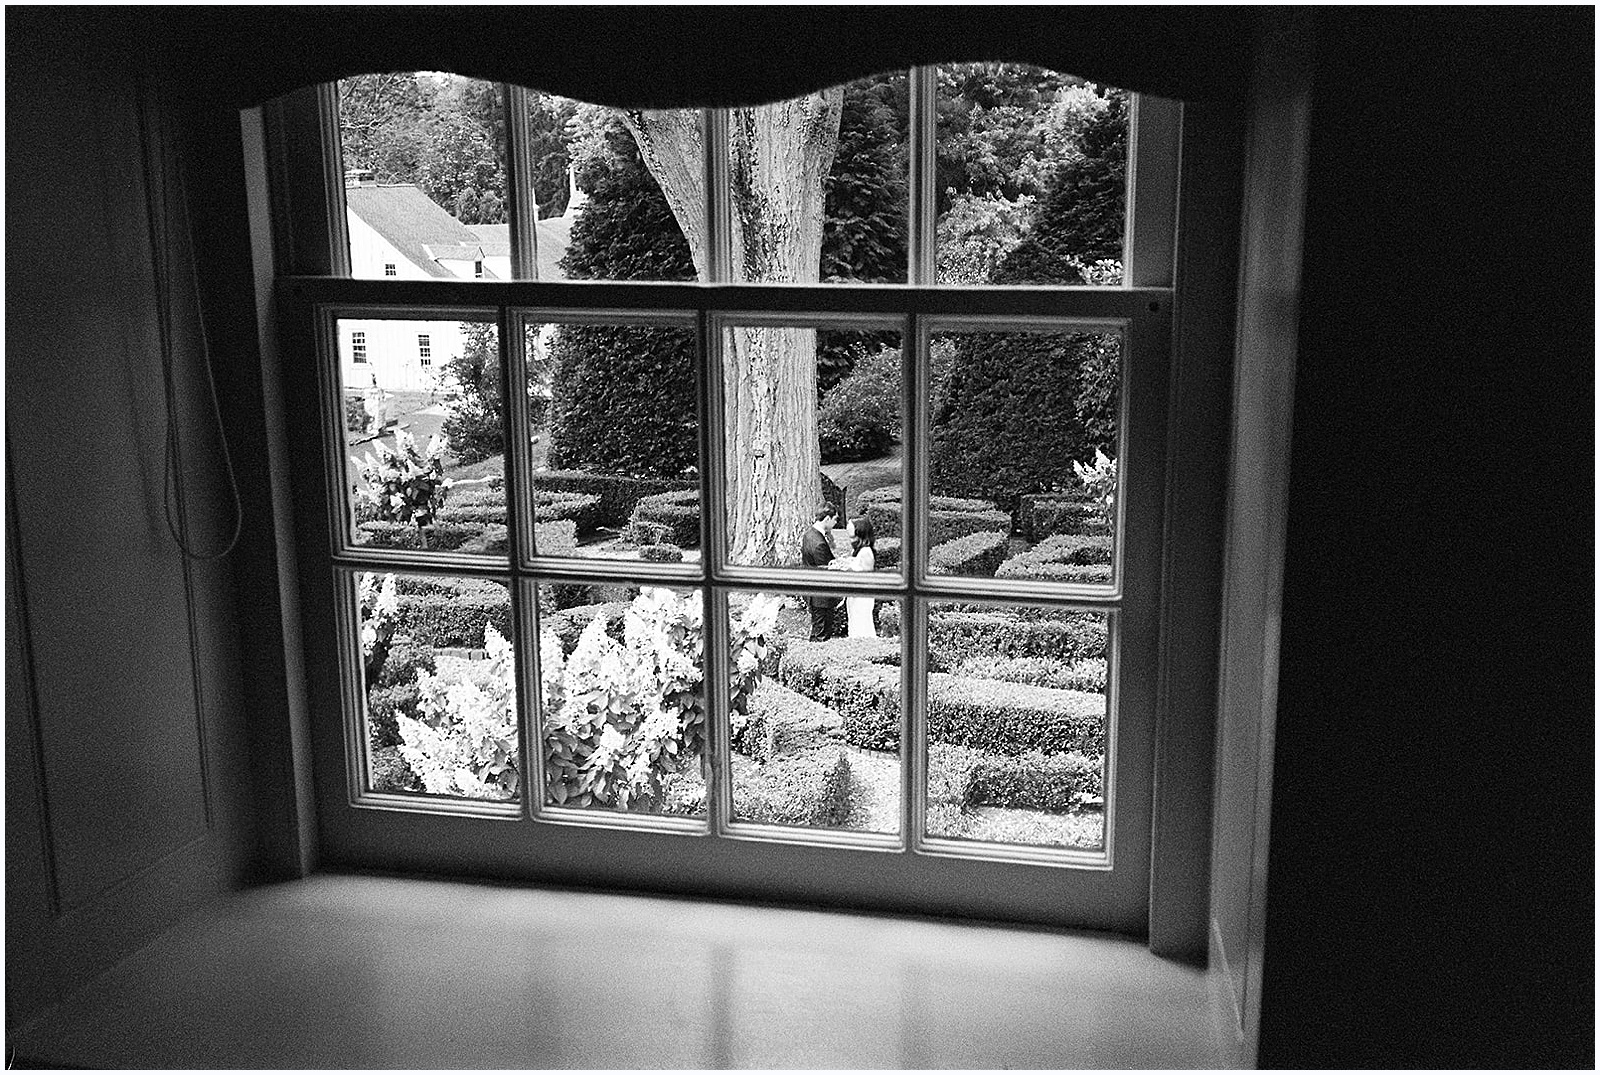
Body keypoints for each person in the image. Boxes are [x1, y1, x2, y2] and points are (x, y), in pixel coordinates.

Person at [800, 505, 843, 640]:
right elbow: (825, 572)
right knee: (821, 636)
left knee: (817, 633)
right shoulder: (819, 543)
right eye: (835, 519)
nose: (835, 523)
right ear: (828, 518)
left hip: (813, 593)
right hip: (821, 597)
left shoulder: (809, 534)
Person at [842, 516, 878, 639]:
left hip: (862, 597)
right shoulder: (860, 551)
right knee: (854, 625)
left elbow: (866, 578)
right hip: (855, 596)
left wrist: (848, 569)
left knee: (862, 626)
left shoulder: (866, 552)